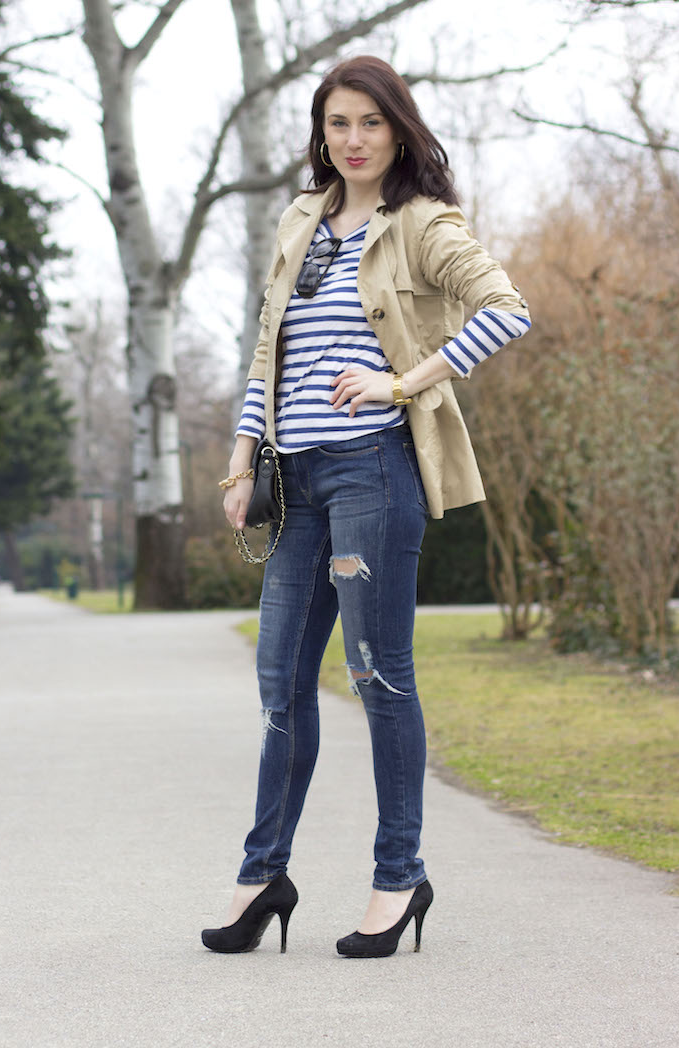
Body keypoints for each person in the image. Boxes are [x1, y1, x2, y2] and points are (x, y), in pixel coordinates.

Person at [202, 55, 531, 959]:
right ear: (323, 132)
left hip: (373, 473)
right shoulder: (301, 220)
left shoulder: (422, 223)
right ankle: (263, 873)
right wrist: (241, 462)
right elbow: (267, 350)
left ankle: (399, 878)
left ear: (398, 130)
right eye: (337, 123)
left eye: (370, 124)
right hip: (296, 480)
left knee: (379, 676)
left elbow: (507, 307)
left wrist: (403, 382)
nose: (352, 140)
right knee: (280, 685)